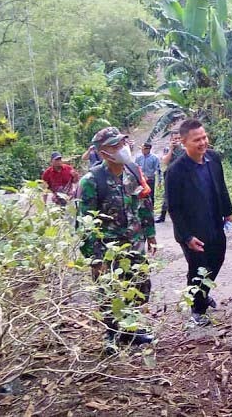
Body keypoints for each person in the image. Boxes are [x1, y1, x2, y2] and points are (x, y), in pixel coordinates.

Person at [77, 127, 156, 352]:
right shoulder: (91, 182)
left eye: (122, 143)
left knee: (139, 286)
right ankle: (111, 335)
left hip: (134, 244)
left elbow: (144, 204)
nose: (122, 148)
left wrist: (150, 235)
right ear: (103, 153)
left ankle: (130, 330)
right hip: (107, 250)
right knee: (109, 292)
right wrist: (95, 259)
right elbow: (84, 224)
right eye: (115, 146)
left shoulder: (132, 170)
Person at [166, 119, 232, 326]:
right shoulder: (175, 171)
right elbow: (174, 208)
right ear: (184, 142)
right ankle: (197, 308)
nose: (203, 142)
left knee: (217, 260)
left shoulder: (212, 158)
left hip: (214, 223)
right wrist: (187, 237)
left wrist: (228, 211)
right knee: (198, 268)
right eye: (197, 140)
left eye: (204, 137)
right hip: (192, 231)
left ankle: (202, 295)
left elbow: (221, 186)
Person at [155, 130, 185, 223]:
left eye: (178, 138)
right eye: (174, 139)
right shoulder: (167, 149)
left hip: (182, 174)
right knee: (167, 195)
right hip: (170, 174)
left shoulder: (185, 149)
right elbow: (165, 161)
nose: (176, 140)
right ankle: (162, 216)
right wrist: (171, 149)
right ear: (171, 139)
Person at [135, 142, 161, 210]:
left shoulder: (154, 158)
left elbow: (158, 170)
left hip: (150, 179)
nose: (142, 151)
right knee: (140, 195)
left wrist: (159, 181)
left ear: (148, 149)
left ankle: (151, 209)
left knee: (151, 195)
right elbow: (136, 167)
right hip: (140, 180)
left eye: (144, 149)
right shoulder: (138, 157)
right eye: (142, 149)